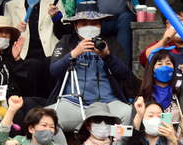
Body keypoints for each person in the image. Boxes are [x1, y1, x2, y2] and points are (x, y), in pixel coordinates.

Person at [47, 1, 132, 132]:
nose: (89, 27)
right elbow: (54, 70)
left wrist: (107, 56)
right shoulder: (66, 42)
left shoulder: (112, 45)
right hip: (72, 104)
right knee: (44, 119)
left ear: (100, 25)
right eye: (84, 24)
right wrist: (74, 53)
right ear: (75, 26)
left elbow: (125, 74)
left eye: (94, 23)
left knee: (129, 114)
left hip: (108, 104)